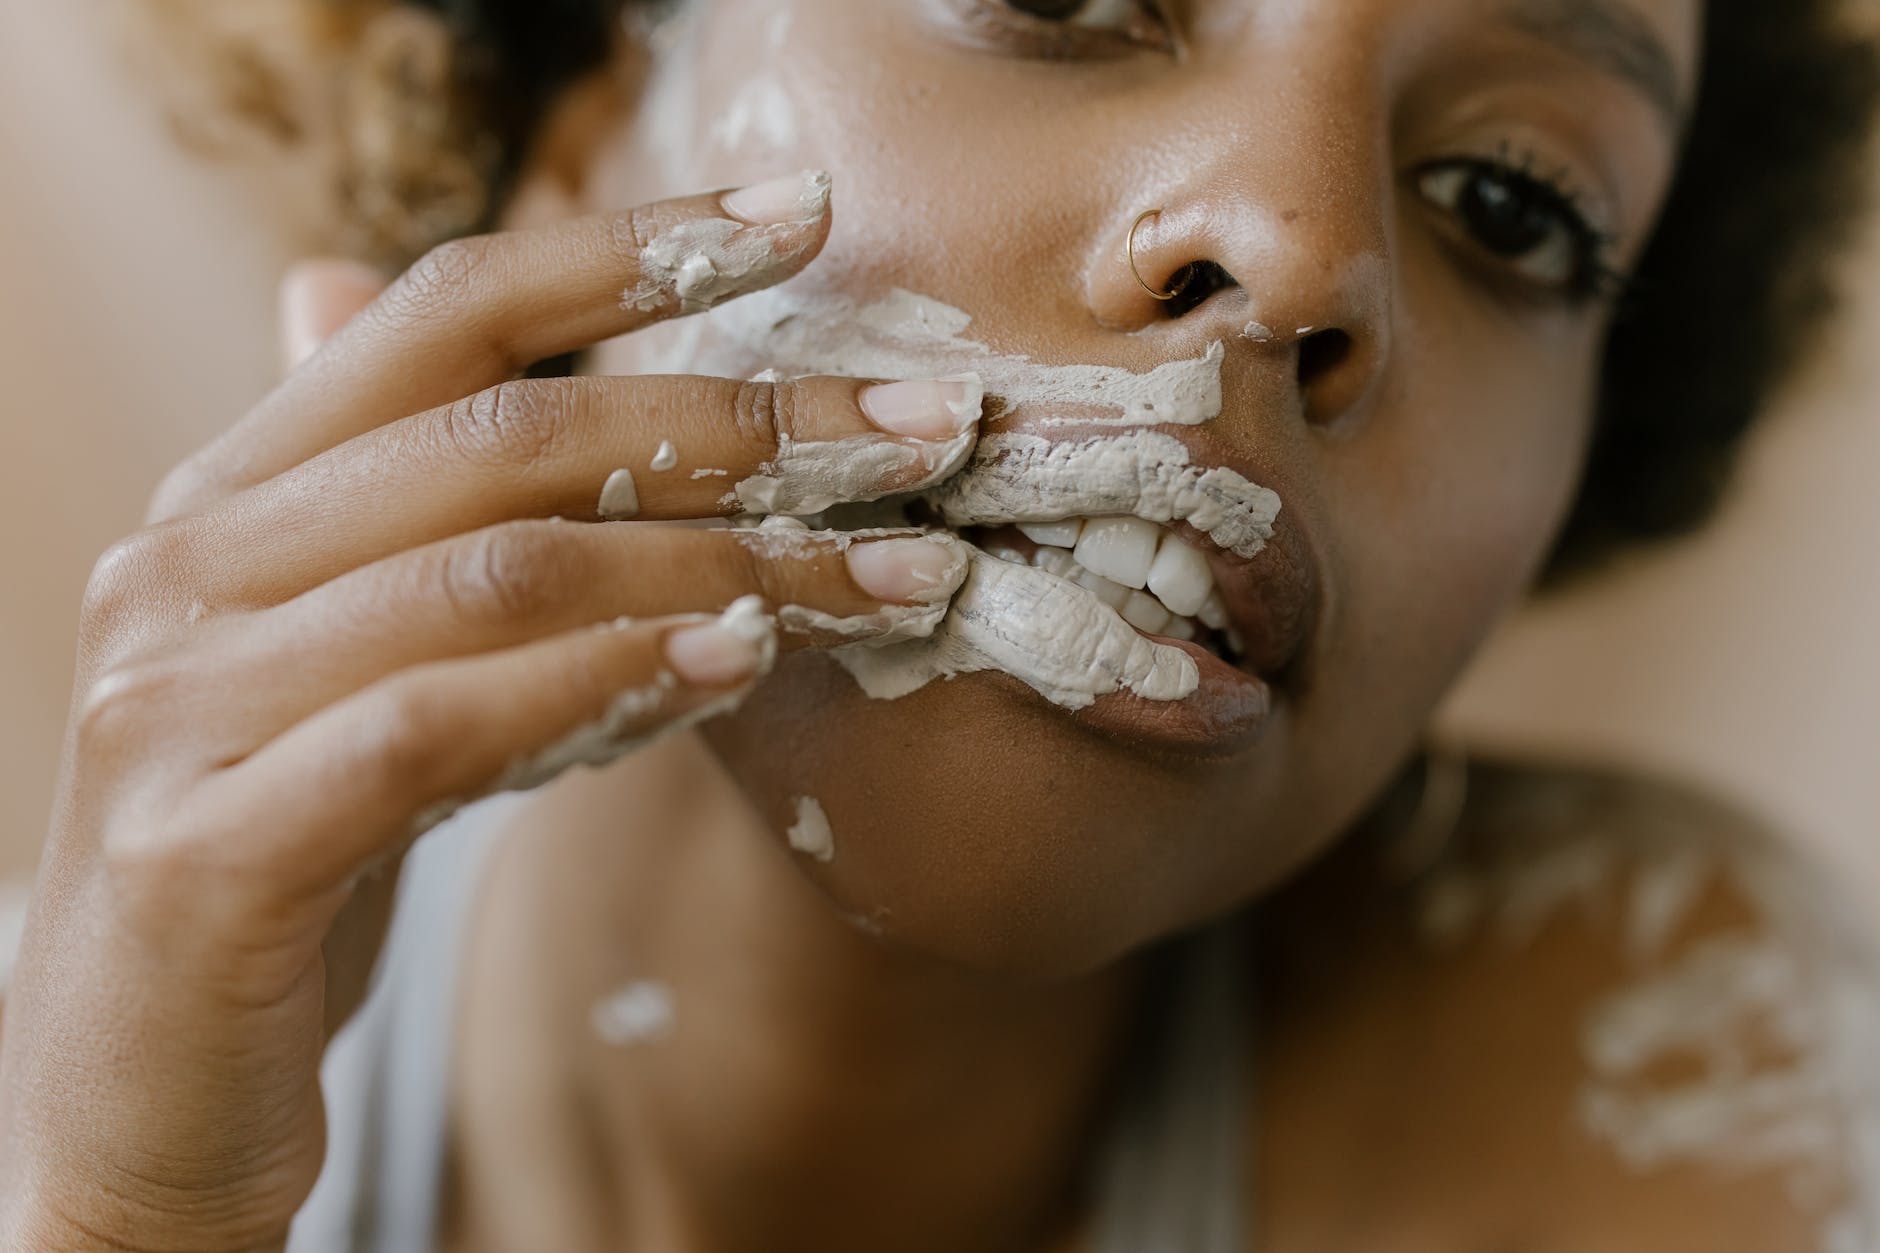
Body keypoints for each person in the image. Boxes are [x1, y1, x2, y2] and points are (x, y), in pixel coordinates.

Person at [3, 0, 1878, 1248]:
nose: (1304, 248)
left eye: (1509, 202)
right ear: (571, 111)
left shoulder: (1684, 1078)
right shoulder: (67, 1121)